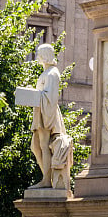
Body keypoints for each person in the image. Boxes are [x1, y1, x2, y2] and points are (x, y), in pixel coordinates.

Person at [30, 43, 73, 190]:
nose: (37, 56)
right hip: (40, 112)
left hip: (46, 113)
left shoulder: (52, 73)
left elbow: (51, 98)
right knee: (35, 147)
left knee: (43, 146)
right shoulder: (46, 73)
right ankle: (47, 177)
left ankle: (47, 180)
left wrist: (35, 96)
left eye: (39, 53)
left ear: (45, 55)